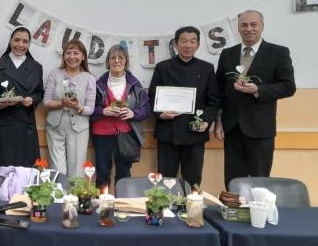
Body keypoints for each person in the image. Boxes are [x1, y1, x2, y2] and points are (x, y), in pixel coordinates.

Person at [214, 10, 296, 188]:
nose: (248, 29)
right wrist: (219, 120)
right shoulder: (227, 54)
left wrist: (258, 89)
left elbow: (289, 87)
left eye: (253, 25)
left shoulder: (278, 52)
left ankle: (258, 215)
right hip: (232, 128)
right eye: (244, 25)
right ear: (238, 28)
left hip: (261, 130)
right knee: (232, 181)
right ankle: (234, 214)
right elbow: (220, 90)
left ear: (262, 27)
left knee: (260, 182)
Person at [0, 26, 44, 218]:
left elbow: (39, 92)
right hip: (0, 124)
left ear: (29, 44)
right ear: (10, 41)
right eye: (17, 40)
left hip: (24, 125)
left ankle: (24, 208)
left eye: (25, 41)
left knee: (25, 170)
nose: (20, 45)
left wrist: (33, 100)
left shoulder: (36, 67)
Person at [148, 26, 220, 187]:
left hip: (195, 133)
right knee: (165, 181)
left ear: (198, 45)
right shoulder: (163, 67)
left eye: (192, 41)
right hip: (168, 132)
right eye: (184, 41)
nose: (188, 45)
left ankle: (192, 210)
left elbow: (213, 101)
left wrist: (207, 121)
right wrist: (161, 114)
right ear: (175, 44)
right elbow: (152, 97)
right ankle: (165, 211)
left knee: (193, 181)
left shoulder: (207, 68)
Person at [90, 45, 150, 191]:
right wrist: (103, 111)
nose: (116, 61)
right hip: (102, 133)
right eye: (113, 58)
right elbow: (89, 108)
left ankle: (122, 206)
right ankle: (102, 206)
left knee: (124, 173)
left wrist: (133, 114)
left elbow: (147, 108)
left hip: (126, 133)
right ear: (108, 61)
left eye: (120, 58)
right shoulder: (98, 84)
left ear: (126, 61)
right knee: (103, 172)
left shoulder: (135, 84)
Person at [43, 39, 96, 178]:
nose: (72, 57)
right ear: (64, 56)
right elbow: (46, 101)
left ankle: (74, 200)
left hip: (79, 128)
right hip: (55, 126)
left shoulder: (89, 78)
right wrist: (61, 103)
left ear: (83, 56)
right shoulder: (55, 74)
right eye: (68, 53)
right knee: (57, 170)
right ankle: (59, 199)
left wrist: (78, 107)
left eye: (76, 53)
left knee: (77, 171)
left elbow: (90, 108)